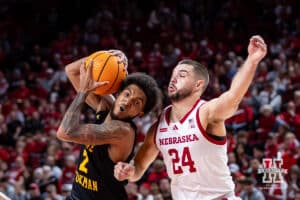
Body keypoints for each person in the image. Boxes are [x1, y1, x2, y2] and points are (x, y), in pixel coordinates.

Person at [114, 35, 267, 199]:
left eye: (182, 75)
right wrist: (128, 171)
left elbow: (233, 96)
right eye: (174, 74)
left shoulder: (206, 113)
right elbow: (139, 167)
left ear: (198, 85)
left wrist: (252, 61)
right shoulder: (159, 125)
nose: (174, 78)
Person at [56, 50, 162, 200]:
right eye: (127, 94)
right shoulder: (105, 106)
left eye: (136, 103)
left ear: (141, 113)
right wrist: (107, 56)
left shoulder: (122, 131)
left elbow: (65, 132)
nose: (127, 101)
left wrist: (83, 92)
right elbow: (71, 71)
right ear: (119, 93)